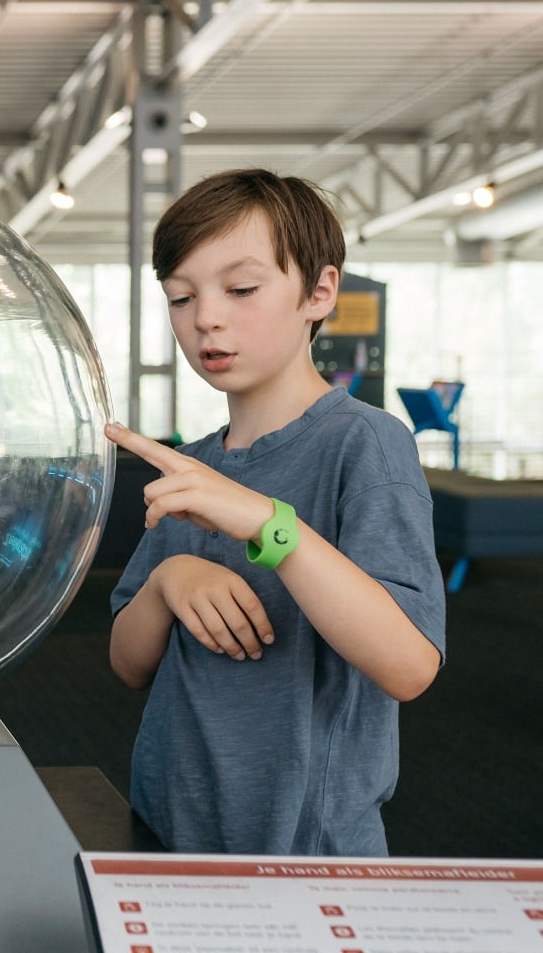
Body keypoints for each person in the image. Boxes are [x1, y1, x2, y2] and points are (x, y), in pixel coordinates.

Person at [105, 168, 445, 856]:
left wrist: (269, 525)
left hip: (306, 852)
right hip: (171, 826)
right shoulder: (192, 467)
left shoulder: (366, 443)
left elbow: (409, 664)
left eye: (241, 289)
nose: (206, 318)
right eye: (180, 297)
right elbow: (127, 661)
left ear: (319, 292)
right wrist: (170, 581)